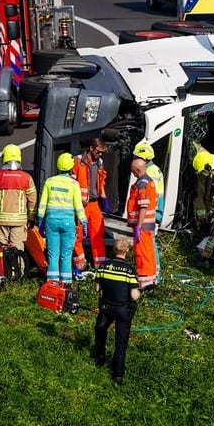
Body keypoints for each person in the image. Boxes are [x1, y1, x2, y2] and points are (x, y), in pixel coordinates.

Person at [93, 236, 141, 386]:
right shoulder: (130, 270)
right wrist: (140, 291)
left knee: (100, 330)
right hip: (123, 310)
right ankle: (117, 375)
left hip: (106, 307)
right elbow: (134, 296)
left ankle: (99, 358)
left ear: (114, 250)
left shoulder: (103, 266)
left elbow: (97, 288)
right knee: (121, 342)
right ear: (127, 251)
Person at [38, 153, 87, 285]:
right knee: (66, 255)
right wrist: (83, 222)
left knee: (52, 255)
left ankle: (52, 284)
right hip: (68, 223)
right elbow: (78, 206)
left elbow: (43, 204)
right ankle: (65, 285)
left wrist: (40, 221)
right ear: (71, 167)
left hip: (51, 222)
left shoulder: (49, 182)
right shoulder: (74, 184)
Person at [0, 144, 37, 252]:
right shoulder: (27, 178)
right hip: (19, 222)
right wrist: (31, 218)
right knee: (18, 250)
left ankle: (3, 268)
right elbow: (32, 200)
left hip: (1, 221)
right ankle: (18, 268)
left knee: (1, 250)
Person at [72, 137, 108, 272]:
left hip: (94, 204)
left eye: (102, 152)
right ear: (91, 148)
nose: (100, 154)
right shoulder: (78, 162)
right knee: (78, 235)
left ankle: (101, 265)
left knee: (98, 233)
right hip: (80, 205)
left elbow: (101, 181)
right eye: (98, 151)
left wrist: (104, 199)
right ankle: (80, 264)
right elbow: (72, 183)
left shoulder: (99, 163)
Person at [126, 157, 158, 290]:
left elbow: (143, 206)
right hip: (149, 224)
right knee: (149, 252)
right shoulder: (149, 181)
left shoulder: (142, 184)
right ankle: (150, 279)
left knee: (141, 253)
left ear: (138, 170)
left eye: (133, 171)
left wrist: (138, 226)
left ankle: (143, 282)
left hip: (143, 225)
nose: (132, 173)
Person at [132, 141, 165, 224]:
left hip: (149, 213)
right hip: (155, 212)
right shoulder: (155, 169)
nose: (134, 159)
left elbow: (146, 197)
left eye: (136, 157)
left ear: (144, 159)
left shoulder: (148, 172)